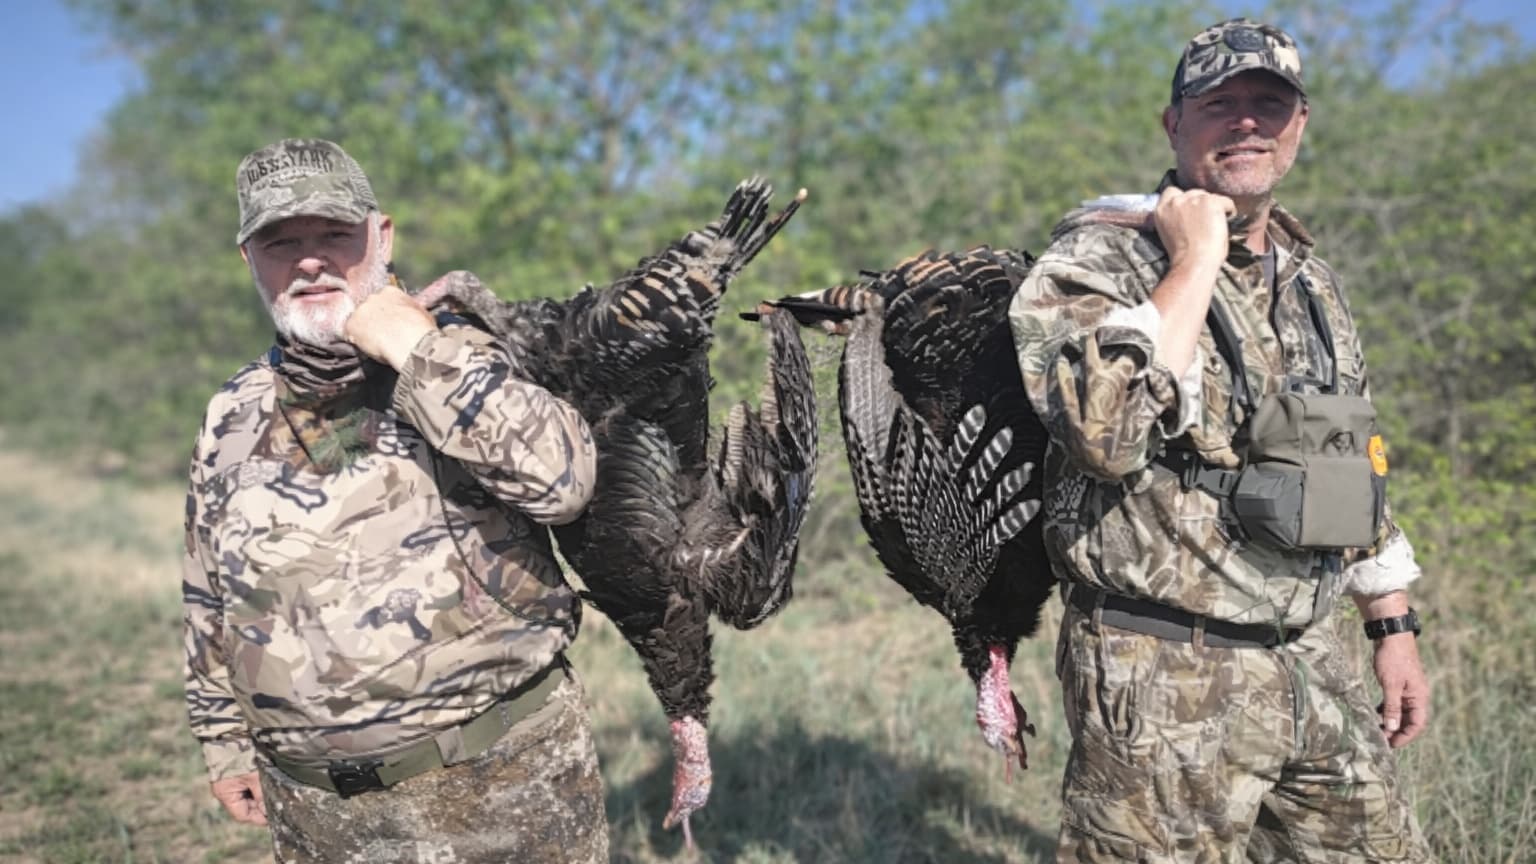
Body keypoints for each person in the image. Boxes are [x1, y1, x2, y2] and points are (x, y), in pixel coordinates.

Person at [1009, 20, 1434, 862]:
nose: (1247, 122)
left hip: (1311, 657)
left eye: (1268, 105)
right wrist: (1194, 258)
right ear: (1174, 124)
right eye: (1221, 104)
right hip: (1163, 669)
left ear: (1299, 125)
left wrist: (1390, 621)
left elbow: (1343, 449)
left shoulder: (1309, 278)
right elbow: (1104, 436)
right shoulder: (1095, 259)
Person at [181, 138, 608, 862]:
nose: (309, 260)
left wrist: (416, 348)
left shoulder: (464, 355)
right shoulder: (234, 410)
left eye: (334, 236)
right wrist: (223, 740)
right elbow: (208, 590)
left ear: (381, 238)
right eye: (281, 242)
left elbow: (562, 483)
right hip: (317, 811)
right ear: (249, 261)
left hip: (500, 784)